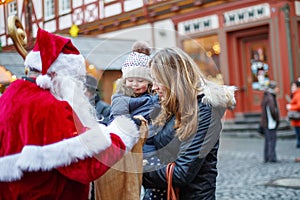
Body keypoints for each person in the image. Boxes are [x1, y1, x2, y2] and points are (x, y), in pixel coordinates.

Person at [0, 28, 141, 199]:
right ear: (56, 74)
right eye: (73, 78)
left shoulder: (9, 96)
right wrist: (123, 132)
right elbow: (86, 165)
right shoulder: (51, 106)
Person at [142, 47, 236, 200]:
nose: (154, 87)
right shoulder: (166, 104)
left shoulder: (205, 111)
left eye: (158, 80)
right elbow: (150, 141)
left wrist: (137, 170)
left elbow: (182, 173)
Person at [94, 41, 158, 200]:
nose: (135, 84)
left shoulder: (153, 97)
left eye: (140, 80)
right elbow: (118, 121)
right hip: (130, 147)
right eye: (130, 80)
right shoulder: (121, 98)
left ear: (149, 82)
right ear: (124, 80)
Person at [260, 81, 280, 163]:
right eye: (276, 87)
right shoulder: (270, 97)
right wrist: (276, 119)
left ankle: (267, 157)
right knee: (271, 140)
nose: (278, 89)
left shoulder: (266, 96)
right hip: (270, 123)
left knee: (268, 140)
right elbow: (272, 110)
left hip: (267, 122)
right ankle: (271, 157)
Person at [286, 80, 300, 148]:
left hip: (298, 120)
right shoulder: (295, 94)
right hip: (296, 120)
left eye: (293, 86)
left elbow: (299, 105)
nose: (292, 87)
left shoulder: (298, 94)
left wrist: (291, 107)